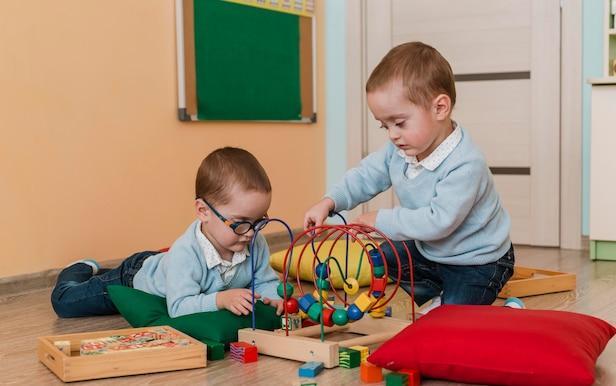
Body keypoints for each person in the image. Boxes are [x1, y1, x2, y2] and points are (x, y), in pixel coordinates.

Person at [303, 42, 515, 310]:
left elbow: (439, 222)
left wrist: (381, 220)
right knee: (383, 256)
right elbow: (366, 175)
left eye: (400, 123)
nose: (392, 134)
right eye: (385, 125)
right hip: (431, 251)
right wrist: (330, 201)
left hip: (477, 261)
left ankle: (459, 305)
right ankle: (436, 296)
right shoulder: (399, 149)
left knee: (454, 318)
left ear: (439, 108)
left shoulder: (466, 163)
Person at [52, 147, 284, 318]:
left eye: (260, 221)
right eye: (241, 223)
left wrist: (275, 298)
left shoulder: (254, 242)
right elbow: (179, 306)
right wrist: (221, 299)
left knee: (161, 267)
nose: (251, 233)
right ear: (203, 211)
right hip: (133, 277)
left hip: (164, 264)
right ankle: (78, 270)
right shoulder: (187, 253)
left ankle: (101, 271)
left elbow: (265, 281)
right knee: (66, 303)